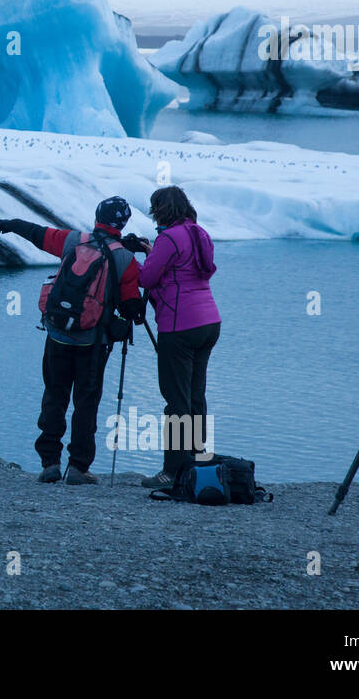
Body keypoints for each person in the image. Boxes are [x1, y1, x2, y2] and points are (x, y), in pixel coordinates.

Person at [0, 197, 146, 485]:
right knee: (85, 403)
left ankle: (49, 463)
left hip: (57, 334)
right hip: (93, 342)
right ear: (124, 223)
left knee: (54, 395)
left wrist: (13, 225)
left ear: (97, 216)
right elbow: (131, 308)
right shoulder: (126, 259)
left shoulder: (73, 240)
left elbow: (40, 234)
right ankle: (78, 467)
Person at [131, 185, 221, 489]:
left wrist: (134, 259)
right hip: (209, 323)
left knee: (176, 400)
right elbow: (188, 270)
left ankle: (172, 471)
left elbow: (146, 278)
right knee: (196, 395)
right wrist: (151, 251)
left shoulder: (168, 238)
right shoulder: (199, 232)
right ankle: (197, 463)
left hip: (179, 327)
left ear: (161, 210)